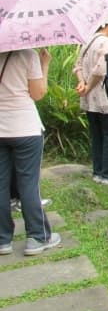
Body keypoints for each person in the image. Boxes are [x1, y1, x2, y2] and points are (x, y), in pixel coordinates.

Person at [0, 48, 62, 256]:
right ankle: (37, 236)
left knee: (1, 185)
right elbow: (38, 93)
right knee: (28, 183)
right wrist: (44, 64)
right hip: (25, 128)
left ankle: (2, 240)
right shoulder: (28, 55)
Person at [74, 10, 108, 185]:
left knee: (97, 134)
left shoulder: (89, 41)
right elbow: (101, 69)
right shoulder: (107, 43)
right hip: (106, 98)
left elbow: (77, 66)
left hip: (89, 101)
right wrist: (89, 85)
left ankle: (98, 171)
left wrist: (82, 83)